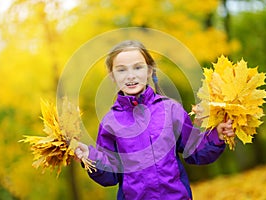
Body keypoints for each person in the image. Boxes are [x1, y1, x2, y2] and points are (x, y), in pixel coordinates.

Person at [75, 40, 234, 200]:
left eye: (138, 67)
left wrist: (217, 136)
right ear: (113, 76)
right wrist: (90, 156)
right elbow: (110, 175)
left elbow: (194, 151)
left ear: (150, 70)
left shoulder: (171, 109)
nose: (131, 75)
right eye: (121, 70)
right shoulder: (110, 123)